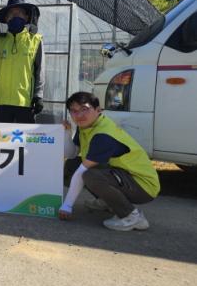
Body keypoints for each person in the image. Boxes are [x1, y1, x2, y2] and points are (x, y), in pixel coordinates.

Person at [59, 91, 160, 231]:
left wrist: (67, 206)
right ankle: (108, 201)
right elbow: (71, 154)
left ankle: (131, 216)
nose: (79, 115)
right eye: (74, 111)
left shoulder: (103, 134)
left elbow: (83, 170)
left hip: (143, 185)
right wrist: (67, 133)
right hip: (124, 176)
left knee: (90, 175)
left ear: (98, 110)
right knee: (72, 165)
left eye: (84, 109)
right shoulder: (86, 126)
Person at [0, 0, 45, 123]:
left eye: (20, 13)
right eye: (11, 13)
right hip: (1, 101)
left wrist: (38, 96)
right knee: (1, 136)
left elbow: (40, 71)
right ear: (6, 18)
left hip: (25, 102)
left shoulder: (36, 40)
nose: (15, 16)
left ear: (27, 17)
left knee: (25, 136)